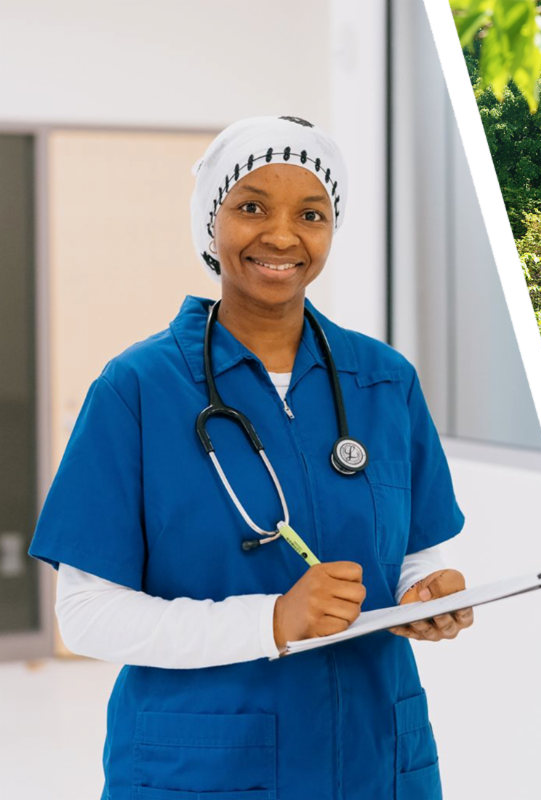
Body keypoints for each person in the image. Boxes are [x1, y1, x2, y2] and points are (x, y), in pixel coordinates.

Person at [28, 116, 473, 798]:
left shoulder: (385, 381)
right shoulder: (138, 389)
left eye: (311, 214)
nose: (283, 236)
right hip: (206, 765)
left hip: (374, 755)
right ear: (210, 223)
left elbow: (413, 553)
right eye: (252, 207)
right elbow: (87, 615)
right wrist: (271, 622)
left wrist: (426, 593)